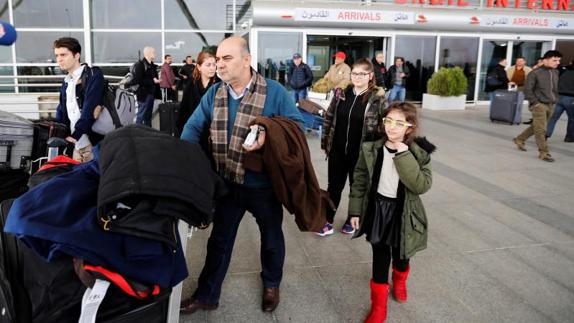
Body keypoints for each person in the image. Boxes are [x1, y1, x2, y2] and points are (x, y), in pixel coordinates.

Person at [179, 36, 303, 314]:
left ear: (247, 59)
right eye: (218, 59)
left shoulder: (275, 91)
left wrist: (267, 134)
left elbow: (297, 127)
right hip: (227, 183)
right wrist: (184, 161)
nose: (220, 65)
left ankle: (271, 283)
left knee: (271, 238)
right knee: (219, 241)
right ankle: (207, 294)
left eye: (227, 58)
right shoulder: (215, 93)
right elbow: (192, 128)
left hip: (263, 186)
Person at [348, 102, 434, 323]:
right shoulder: (371, 147)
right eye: (388, 121)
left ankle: (400, 279)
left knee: (402, 254)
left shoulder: (419, 152)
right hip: (378, 209)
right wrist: (355, 211)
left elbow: (421, 185)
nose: (392, 128)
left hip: (403, 212)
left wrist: (403, 155)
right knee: (380, 255)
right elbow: (359, 180)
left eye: (399, 123)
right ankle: (378, 308)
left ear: (410, 127)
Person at [319, 58, 386, 236]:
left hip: (361, 154)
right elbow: (329, 117)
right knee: (334, 186)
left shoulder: (376, 100)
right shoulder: (341, 93)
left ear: (370, 76)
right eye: (354, 73)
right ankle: (327, 220)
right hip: (338, 151)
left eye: (362, 74)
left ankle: (352, 219)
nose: (357, 77)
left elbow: (382, 128)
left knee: (357, 187)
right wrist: (326, 142)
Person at [53, 37, 104, 163]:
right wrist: (59, 134)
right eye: (57, 55)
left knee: (98, 178)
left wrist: (74, 136)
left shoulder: (93, 75)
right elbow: (62, 111)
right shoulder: (66, 82)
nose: (59, 59)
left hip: (93, 141)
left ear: (76, 56)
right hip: (76, 144)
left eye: (63, 55)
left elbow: (89, 109)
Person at [513, 50, 562, 162]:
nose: (557, 62)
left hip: (551, 104)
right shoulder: (535, 73)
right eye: (555, 60)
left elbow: (554, 89)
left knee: (536, 126)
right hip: (539, 105)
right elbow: (527, 90)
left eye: (559, 60)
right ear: (545, 60)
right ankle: (544, 153)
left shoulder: (555, 72)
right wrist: (535, 103)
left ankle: (519, 139)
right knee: (541, 129)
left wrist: (556, 99)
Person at [177, 51, 218, 136]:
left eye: (214, 64)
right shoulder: (191, 84)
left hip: (213, 134)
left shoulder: (220, 85)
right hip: (193, 131)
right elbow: (184, 109)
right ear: (199, 67)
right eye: (208, 65)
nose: (212, 68)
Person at [131, 46, 160, 126]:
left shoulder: (151, 65)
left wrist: (156, 80)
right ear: (148, 53)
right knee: (141, 116)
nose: (155, 54)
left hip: (151, 94)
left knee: (148, 117)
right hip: (144, 94)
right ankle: (137, 133)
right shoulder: (140, 64)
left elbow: (151, 77)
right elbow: (137, 80)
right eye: (153, 52)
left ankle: (148, 134)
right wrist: (152, 81)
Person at [546, 61, 574, 142]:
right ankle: (570, 137)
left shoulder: (564, 72)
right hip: (571, 99)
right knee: (572, 119)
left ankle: (546, 134)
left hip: (559, 97)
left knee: (553, 118)